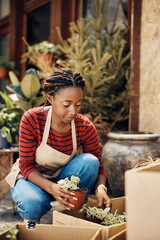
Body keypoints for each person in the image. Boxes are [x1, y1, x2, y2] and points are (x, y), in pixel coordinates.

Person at [5, 68, 111, 228]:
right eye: (67, 105)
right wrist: (51, 188)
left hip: (63, 178)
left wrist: (101, 189)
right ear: (50, 98)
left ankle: (70, 221)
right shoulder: (32, 120)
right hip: (30, 178)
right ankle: (31, 227)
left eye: (78, 104)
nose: (73, 111)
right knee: (33, 203)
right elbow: (26, 165)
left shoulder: (84, 127)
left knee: (90, 161)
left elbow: (98, 166)